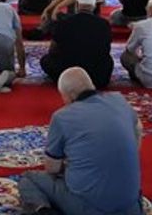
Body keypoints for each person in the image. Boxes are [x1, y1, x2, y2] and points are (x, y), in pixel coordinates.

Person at [17, 67, 144, 215]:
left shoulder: (63, 117)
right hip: (131, 207)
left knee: (29, 179)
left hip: (89, 207)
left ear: (70, 95)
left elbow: (52, 168)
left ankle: (45, 211)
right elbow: (138, 130)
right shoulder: (119, 100)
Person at [41, 0, 114, 90]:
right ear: (93, 6)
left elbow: (52, 49)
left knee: (45, 60)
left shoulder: (64, 23)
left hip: (66, 74)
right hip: (97, 77)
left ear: (77, 5)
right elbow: (106, 50)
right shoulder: (104, 25)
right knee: (109, 61)